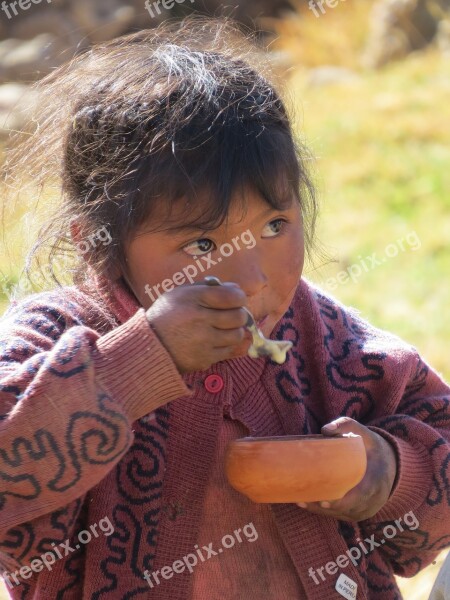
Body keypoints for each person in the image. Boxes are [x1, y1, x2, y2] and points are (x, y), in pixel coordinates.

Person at [0, 17, 449, 600]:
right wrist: (143, 359)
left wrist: (381, 471)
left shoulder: (329, 341)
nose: (252, 278)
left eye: (275, 225)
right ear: (97, 242)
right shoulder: (59, 334)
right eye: (202, 244)